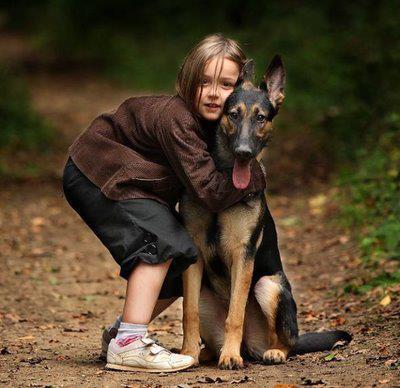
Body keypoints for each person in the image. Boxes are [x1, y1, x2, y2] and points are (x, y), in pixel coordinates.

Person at [62, 33, 266, 373]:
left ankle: (119, 333)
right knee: (160, 241)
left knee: (182, 254)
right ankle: (129, 344)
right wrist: (257, 177)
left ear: (241, 86)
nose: (215, 93)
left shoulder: (217, 124)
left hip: (132, 182)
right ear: (187, 81)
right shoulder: (179, 119)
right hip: (97, 173)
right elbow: (210, 192)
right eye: (204, 82)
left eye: (226, 84)